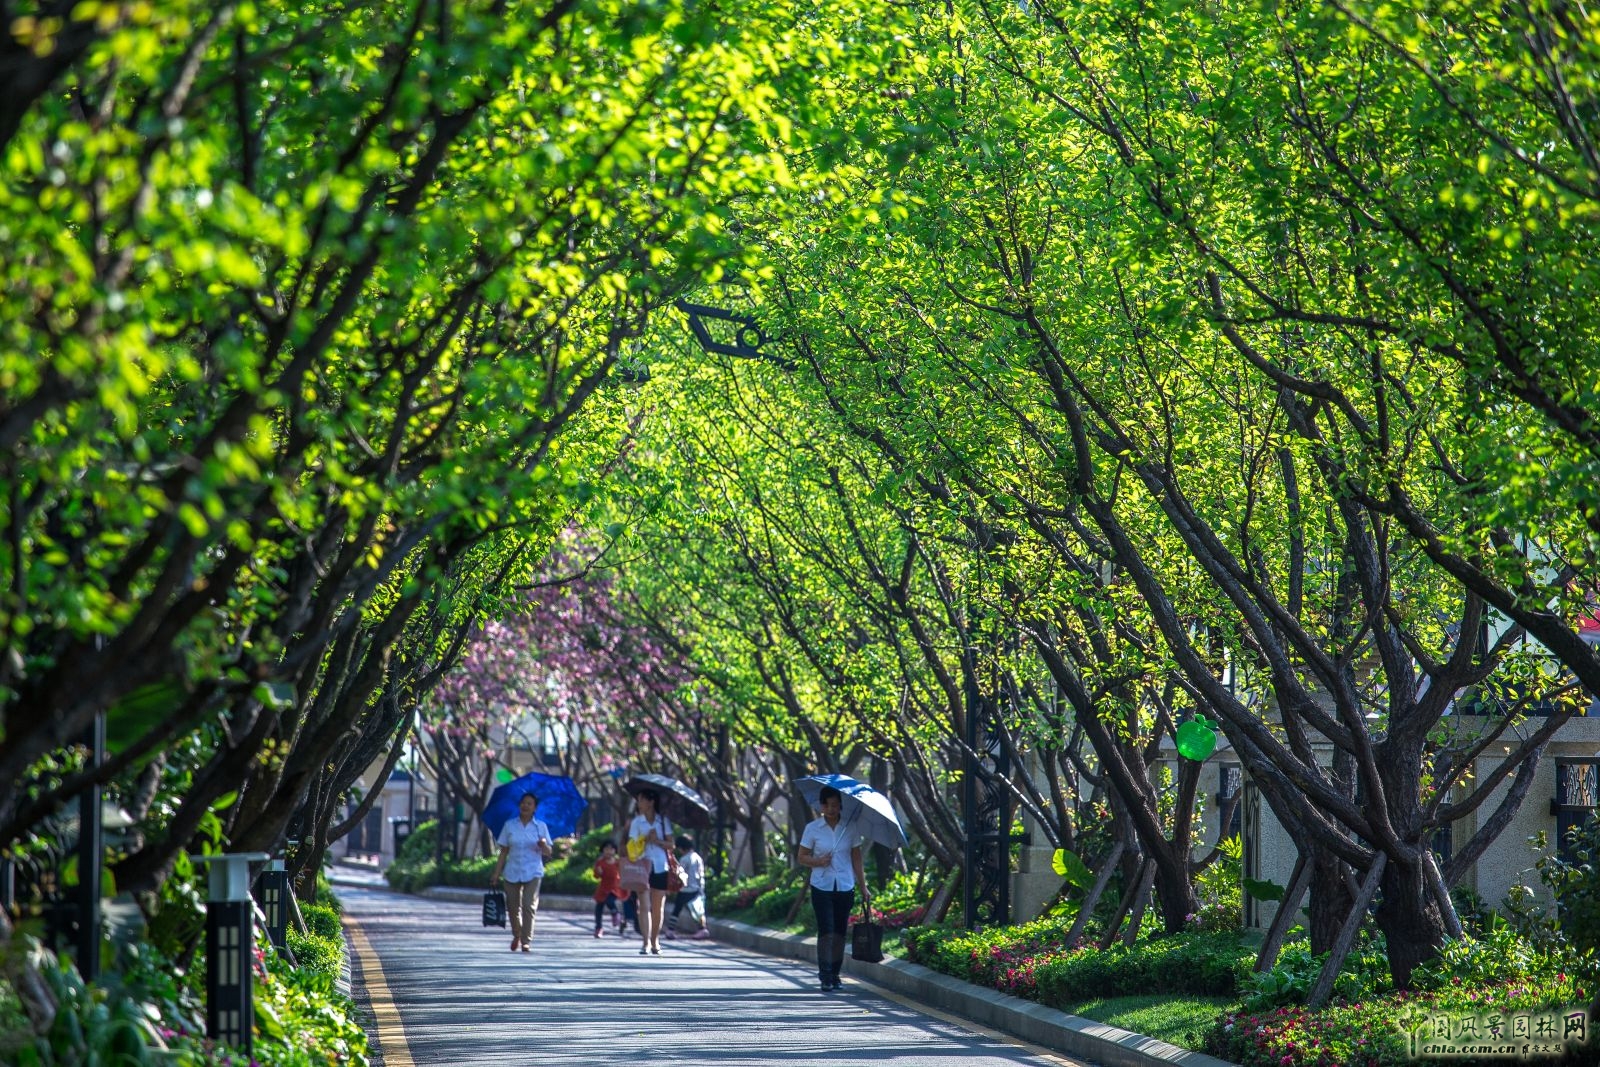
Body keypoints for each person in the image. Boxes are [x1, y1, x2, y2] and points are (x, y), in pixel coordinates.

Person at [796, 785, 869, 990]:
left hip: (845, 885)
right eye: (827, 805)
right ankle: (825, 975)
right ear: (821, 806)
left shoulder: (850, 828)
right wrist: (818, 861)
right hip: (821, 886)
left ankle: (836, 974)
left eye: (835, 805)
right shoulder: (812, 828)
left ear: (840, 806)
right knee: (826, 930)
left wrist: (863, 887)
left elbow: (857, 859)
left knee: (839, 932)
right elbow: (801, 857)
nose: (831, 809)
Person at [490, 793, 553, 952]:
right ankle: (517, 934)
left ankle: (526, 941)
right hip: (512, 870)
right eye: (523, 803)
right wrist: (496, 873)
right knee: (512, 907)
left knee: (528, 905)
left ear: (535, 808)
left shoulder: (540, 827)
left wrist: (543, 845)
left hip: (533, 871)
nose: (525, 806)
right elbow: (504, 851)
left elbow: (548, 852)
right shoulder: (510, 825)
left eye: (529, 804)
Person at [626, 789, 674, 956]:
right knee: (644, 906)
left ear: (651, 802)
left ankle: (655, 940)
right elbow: (632, 846)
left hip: (661, 866)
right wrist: (645, 839)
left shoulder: (663, 821)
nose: (639, 803)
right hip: (642, 866)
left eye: (641, 800)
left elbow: (671, 844)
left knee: (658, 907)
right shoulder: (637, 822)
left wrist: (657, 840)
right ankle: (645, 942)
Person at [665, 835, 708, 940]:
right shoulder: (698, 857)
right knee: (697, 910)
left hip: (685, 889)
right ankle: (702, 929)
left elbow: (680, 874)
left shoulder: (684, 859)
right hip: (696, 888)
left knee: (677, 909)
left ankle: (670, 930)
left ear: (682, 847)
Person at [592, 840, 623, 937]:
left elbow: (622, 873)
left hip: (614, 888)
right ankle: (598, 928)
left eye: (611, 849)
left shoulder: (618, 862)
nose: (608, 851)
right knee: (599, 908)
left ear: (615, 851)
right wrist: (598, 872)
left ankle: (615, 913)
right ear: (602, 850)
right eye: (606, 849)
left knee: (610, 901)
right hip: (603, 888)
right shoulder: (600, 862)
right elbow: (596, 876)